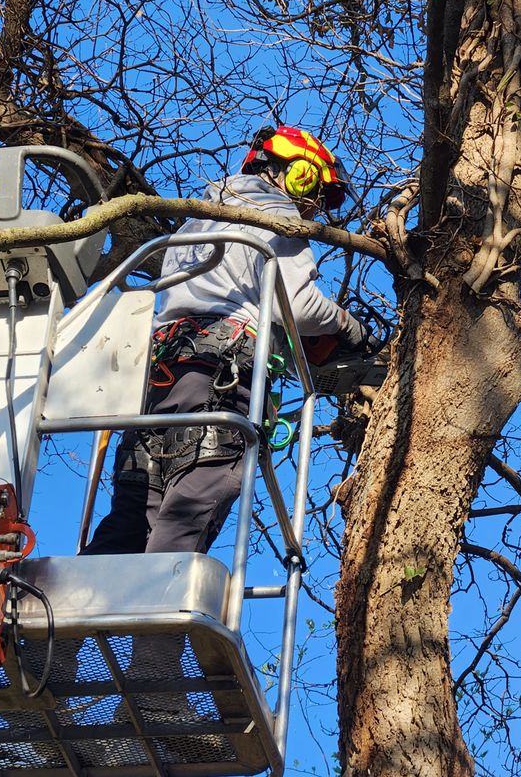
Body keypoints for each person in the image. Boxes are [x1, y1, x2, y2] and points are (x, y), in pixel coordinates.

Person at [80, 125, 376, 558]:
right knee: (193, 504)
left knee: (133, 518)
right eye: (314, 191)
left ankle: (74, 595)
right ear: (298, 174)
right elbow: (299, 307)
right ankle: (164, 603)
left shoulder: (197, 219)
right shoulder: (275, 216)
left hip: (158, 379)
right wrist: (349, 327)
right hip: (221, 374)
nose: (312, 206)